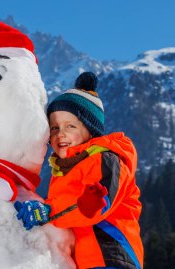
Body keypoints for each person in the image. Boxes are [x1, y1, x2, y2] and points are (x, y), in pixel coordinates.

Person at [14, 72, 143, 269]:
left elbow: (92, 206)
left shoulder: (106, 160)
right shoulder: (65, 168)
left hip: (111, 256)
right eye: (54, 128)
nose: (61, 134)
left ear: (90, 131)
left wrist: (48, 211)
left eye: (70, 126)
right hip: (86, 260)